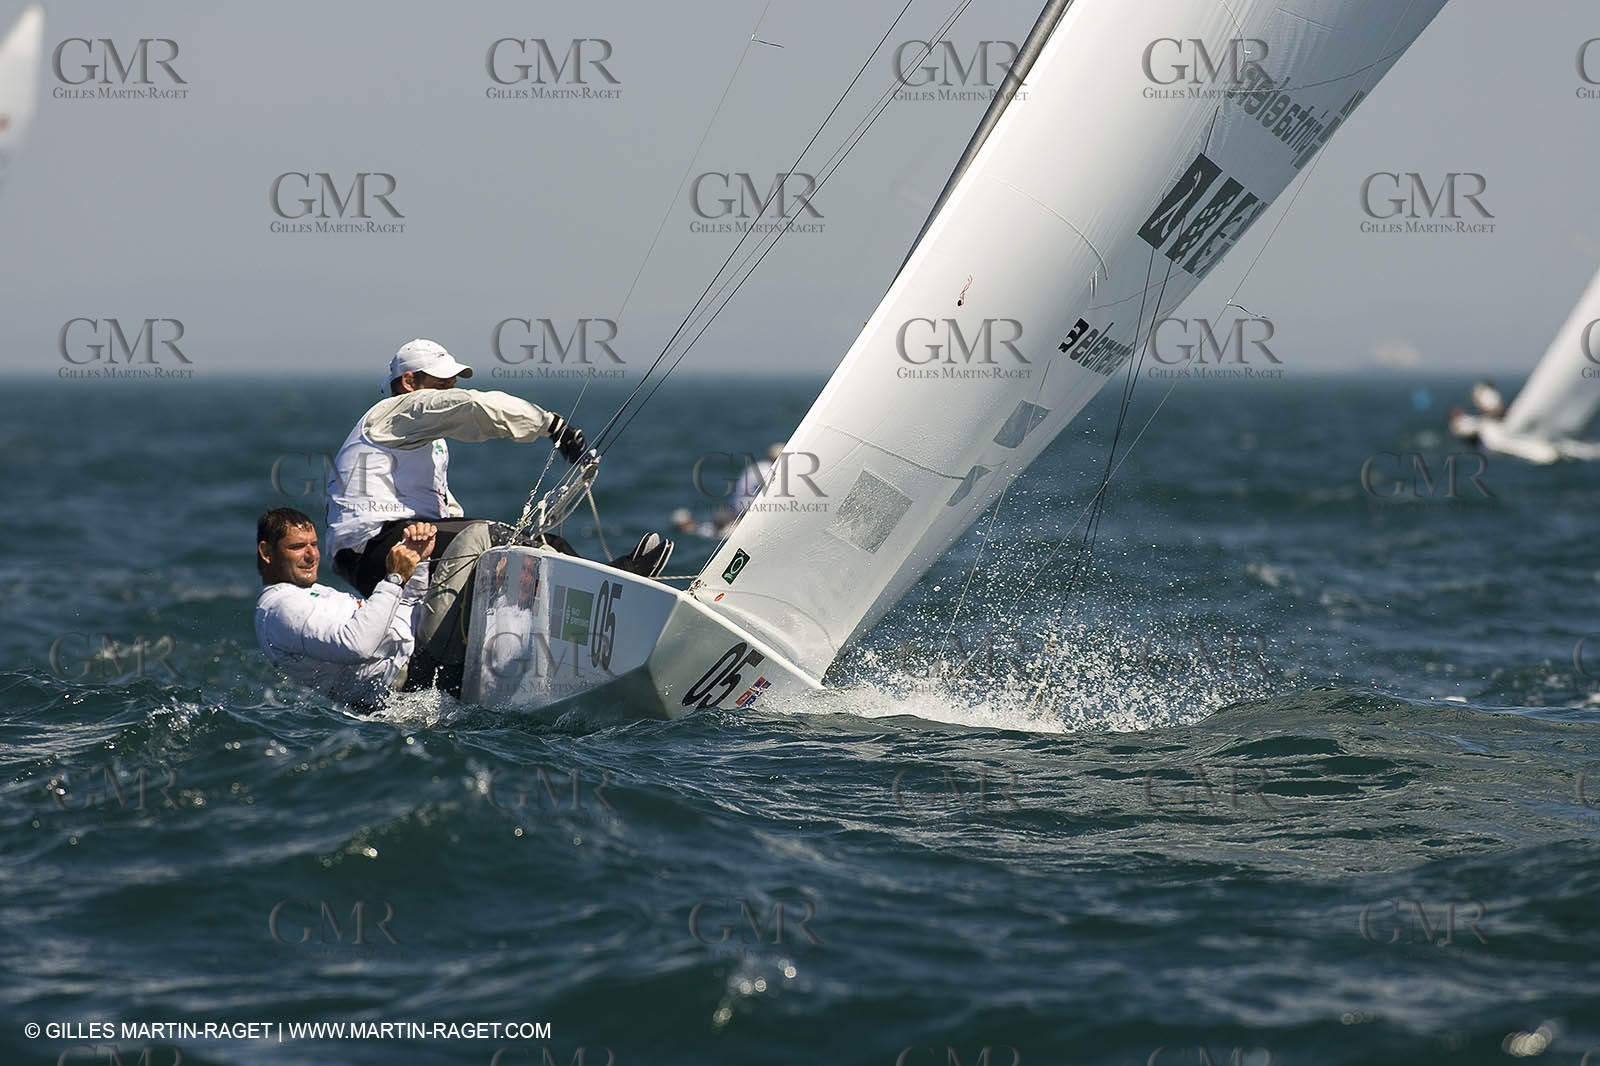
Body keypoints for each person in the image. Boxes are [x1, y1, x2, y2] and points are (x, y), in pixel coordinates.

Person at [254, 507, 436, 710]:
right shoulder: (282, 609)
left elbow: (407, 605)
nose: (312, 555)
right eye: (297, 547)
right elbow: (357, 646)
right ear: (267, 552)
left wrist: (417, 558)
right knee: (466, 541)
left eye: (314, 544)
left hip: (421, 648)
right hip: (412, 674)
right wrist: (394, 579)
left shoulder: (305, 594)